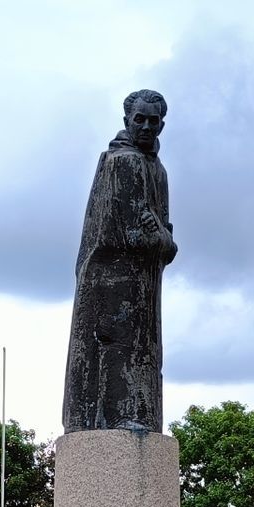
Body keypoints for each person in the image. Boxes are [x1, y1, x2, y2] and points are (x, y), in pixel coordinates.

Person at [60, 89, 175, 434]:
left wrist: (161, 239)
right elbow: (137, 234)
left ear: (162, 125)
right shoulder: (123, 162)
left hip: (143, 280)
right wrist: (162, 240)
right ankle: (116, 415)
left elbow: (161, 233)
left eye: (153, 121)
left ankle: (137, 412)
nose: (145, 126)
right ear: (126, 120)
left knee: (144, 349)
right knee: (117, 345)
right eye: (139, 119)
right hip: (111, 279)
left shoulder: (158, 170)